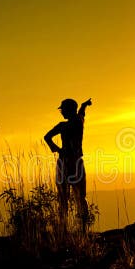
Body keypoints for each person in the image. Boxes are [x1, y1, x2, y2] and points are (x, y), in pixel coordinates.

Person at [44, 97, 92, 228]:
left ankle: (63, 227)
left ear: (68, 110)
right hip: (77, 162)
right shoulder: (79, 121)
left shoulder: (63, 126)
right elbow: (81, 113)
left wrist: (57, 149)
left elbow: (47, 137)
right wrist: (84, 106)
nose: (61, 112)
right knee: (80, 197)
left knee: (63, 198)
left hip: (64, 163)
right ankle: (83, 228)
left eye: (63, 109)